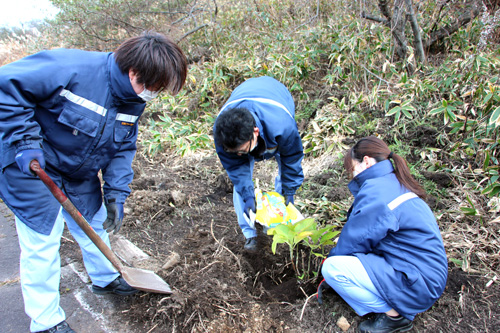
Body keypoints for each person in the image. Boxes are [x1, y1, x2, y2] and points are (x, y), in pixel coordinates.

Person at [0, 31, 187, 333]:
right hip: (33, 162)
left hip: (77, 168)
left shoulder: (133, 98)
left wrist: (116, 192)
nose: (151, 94)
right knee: (43, 241)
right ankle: (46, 322)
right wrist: (24, 140)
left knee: (95, 221)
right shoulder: (68, 67)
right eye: (150, 86)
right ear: (133, 70)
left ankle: (106, 278)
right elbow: (5, 86)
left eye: (158, 89)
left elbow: (123, 146)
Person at [317, 136, 448, 333]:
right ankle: (398, 303)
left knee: (333, 268)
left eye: (352, 168)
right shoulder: (394, 182)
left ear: (367, 161)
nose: (352, 176)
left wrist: (323, 274)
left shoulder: (377, 193)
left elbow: (354, 242)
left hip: (418, 283)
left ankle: (394, 316)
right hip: (427, 276)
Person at [213, 76, 304, 251]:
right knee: (241, 184)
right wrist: (248, 196)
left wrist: (289, 192)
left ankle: (277, 226)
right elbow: (236, 170)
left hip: (277, 98)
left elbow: (291, 161)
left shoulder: (283, 126)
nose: (239, 155)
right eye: (235, 152)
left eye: (243, 150)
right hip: (245, 97)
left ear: (255, 132)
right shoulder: (222, 133)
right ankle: (250, 234)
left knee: (285, 178)